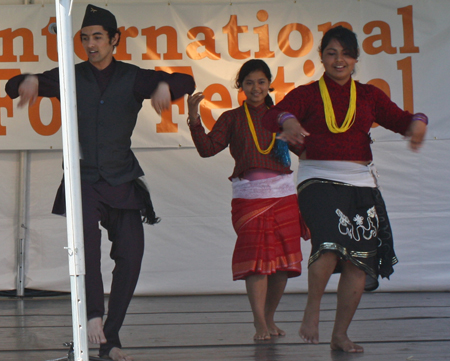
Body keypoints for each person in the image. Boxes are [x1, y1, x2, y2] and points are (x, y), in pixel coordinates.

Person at [6, 4, 195, 361]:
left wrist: (167, 86)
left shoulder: (133, 76)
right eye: (85, 38)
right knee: (86, 249)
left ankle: (110, 336)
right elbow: (12, 84)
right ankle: (93, 315)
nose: (90, 45)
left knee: (131, 255)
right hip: (84, 179)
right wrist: (27, 82)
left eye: (97, 38)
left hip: (122, 179)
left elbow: (188, 82)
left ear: (114, 40)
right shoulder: (70, 75)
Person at [262, 26, 427, 353]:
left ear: (355, 58)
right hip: (318, 178)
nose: (339, 60)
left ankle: (340, 334)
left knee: (359, 261)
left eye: (346, 54)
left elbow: (402, 119)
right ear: (321, 57)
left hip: (361, 183)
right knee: (328, 243)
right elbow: (271, 117)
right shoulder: (308, 93)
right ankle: (312, 309)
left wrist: (418, 123)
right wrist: (288, 121)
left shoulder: (368, 95)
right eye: (331, 53)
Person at [187, 59, 304, 340]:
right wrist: (194, 117)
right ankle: (259, 322)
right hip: (249, 200)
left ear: (269, 84)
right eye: (249, 82)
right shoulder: (231, 118)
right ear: (241, 86)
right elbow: (207, 149)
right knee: (256, 261)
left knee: (282, 266)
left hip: (284, 196)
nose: (256, 88)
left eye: (261, 82)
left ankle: (270, 318)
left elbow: (306, 147)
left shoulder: (281, 117)